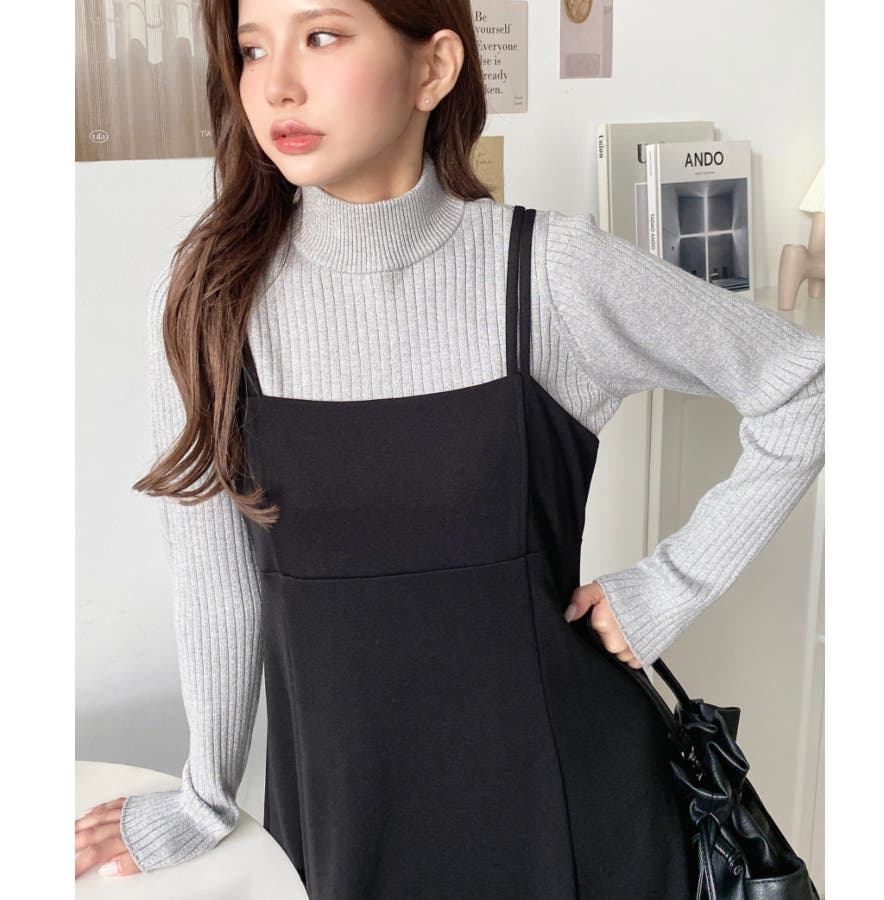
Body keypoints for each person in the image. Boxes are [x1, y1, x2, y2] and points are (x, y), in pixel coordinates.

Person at [74, 0, 825, 896]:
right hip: (347, 825)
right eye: (252, 49)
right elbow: (215, 586)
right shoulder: (210, 302)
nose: (275, 85)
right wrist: (204, 793)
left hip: (575, 820)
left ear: (433, 69)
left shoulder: (549, 273)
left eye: (322, 36)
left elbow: (809, 387)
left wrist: (669, 587)